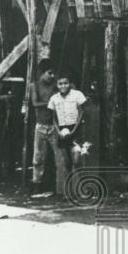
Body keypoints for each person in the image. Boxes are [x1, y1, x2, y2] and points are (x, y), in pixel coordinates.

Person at [46, 73, 87, 197]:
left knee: (77, 161)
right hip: (62, 131)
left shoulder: (77, 95)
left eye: (65, 83)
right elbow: (53, 118)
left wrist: (74, 130)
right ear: (57, 85)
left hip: (75, 130)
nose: (63, 86)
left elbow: (82, 112)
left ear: (70, 84)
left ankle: (83, 190)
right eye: (60, 84)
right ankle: (68, 192)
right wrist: (58, 132)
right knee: (67, 163)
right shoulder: (54, 98)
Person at [30, 64, 59, 198]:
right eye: (49, 73)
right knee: (38, 158)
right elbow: (35, 103)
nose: (52, 76)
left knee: (59, 156)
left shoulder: (55, 84)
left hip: (54, 126)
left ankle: (59, 187)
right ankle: (37, 185)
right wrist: (51, 101)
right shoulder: (34, 86)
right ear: (42, 72)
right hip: (40, 126)